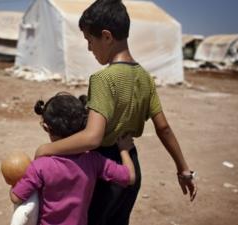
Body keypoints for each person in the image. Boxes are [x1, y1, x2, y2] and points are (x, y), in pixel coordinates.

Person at [34, 1, 198, 225]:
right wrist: (183, 170)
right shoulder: (145, 78)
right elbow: (164, 128)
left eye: (90, 41)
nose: (89, 48)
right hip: (131, 164)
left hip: (105, 170)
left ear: (107, 36)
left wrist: (46, 149)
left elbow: (93, 137)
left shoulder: (103, 79)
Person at [10, 92, 137, 225]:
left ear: (46, 127)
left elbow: (16, 197)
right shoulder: (93, 160)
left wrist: (14, 181)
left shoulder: (40, 166)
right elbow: (130, 177)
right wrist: (124, 149)